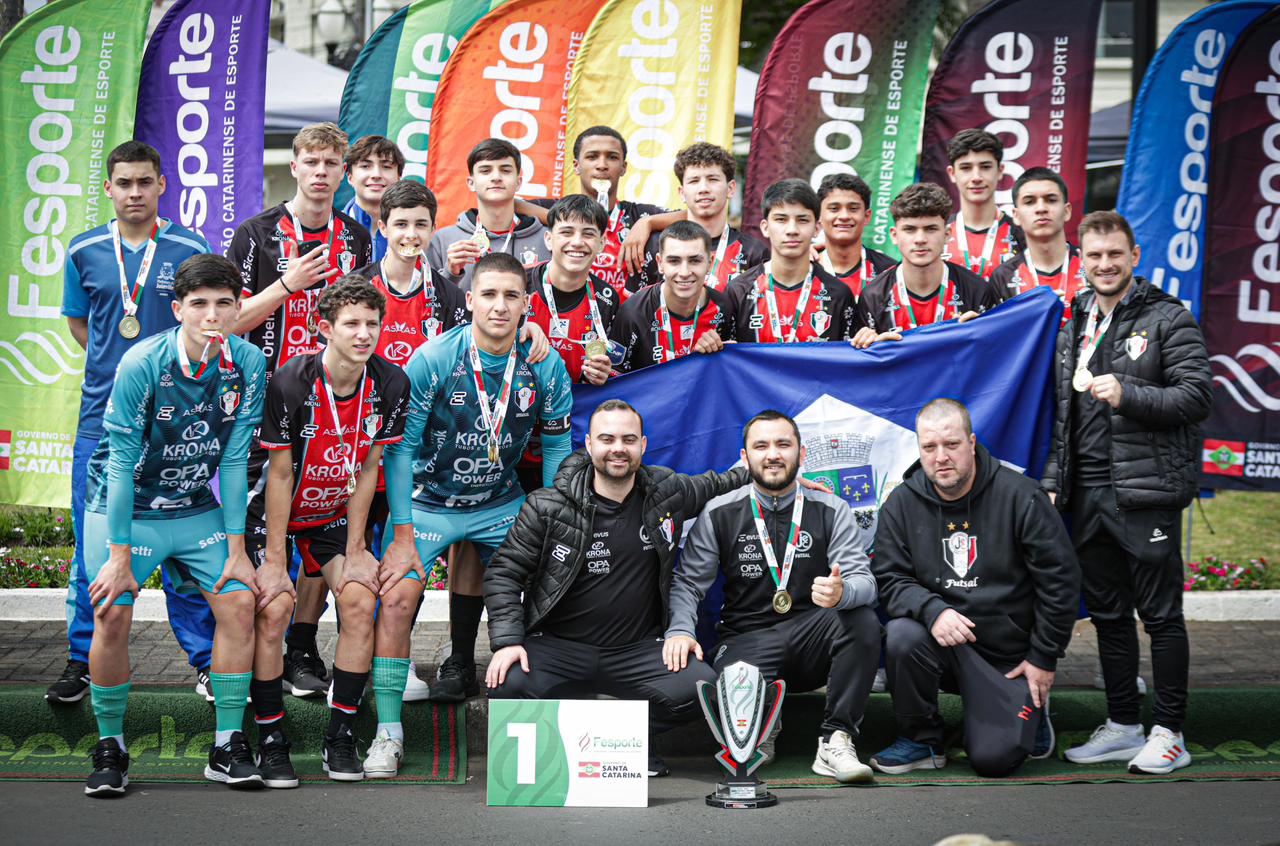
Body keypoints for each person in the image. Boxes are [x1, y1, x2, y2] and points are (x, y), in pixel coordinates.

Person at [485, 400, 752, 777]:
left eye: (628, 439)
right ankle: (593, 743)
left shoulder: (667, 492)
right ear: (589, 444)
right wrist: (508, 641)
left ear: (643, 445)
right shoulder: (546, 506)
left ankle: (626, 739)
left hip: (637, 650)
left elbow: (718, 484)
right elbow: (504, 572)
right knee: (505, 683)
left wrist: (775, 477)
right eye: (607, 439)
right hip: (559, 647)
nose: (618, 448)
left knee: (702, 688)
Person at [82, 254, 267, 796]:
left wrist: (237, 550)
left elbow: (234, 461)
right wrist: (119, 557)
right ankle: (111, 746)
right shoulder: (143, 362)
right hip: (126, 509)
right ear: (178, 309)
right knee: (111, 611)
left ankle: (227, 744)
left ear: (237, 308)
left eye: (224, 304)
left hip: (192, 506)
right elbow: (119, 464)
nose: (212, 315)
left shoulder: (248, 362)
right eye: (199, 304)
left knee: (239, 602)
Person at [1042, 211, 1212, 775]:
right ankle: (1123, 724)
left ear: (1134, 256)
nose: (1105, 264)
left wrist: (1129, 392)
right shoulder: (1074, 317)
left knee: (1160, 616)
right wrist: (1054, 481)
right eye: (1094, 256)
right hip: (1086, 492)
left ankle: (1170, 732)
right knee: (1109, 615)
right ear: (1081, 261)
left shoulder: (1168, 317)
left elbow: (1196, 397)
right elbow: (1062, 414)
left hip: (1144, 492)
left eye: (1115, 254)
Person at [53, 141, 217, 705]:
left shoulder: (189, 247)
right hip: (102, 423)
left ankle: (205, 661)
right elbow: (82, 325)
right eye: (124, 183)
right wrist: (126, 376)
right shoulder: (84, 250)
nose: (135, 193)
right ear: (109, 188)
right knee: (93, 550)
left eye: (145, 182)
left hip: (178, 426)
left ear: (162, 185)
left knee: (183, 553)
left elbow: (206, 317)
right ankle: (82, 660)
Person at [382, 253, 574, 703]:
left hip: (498, 501)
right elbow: (401, 450)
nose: (500, 306)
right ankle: (391, 685)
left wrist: (550, 519)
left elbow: (556, 447)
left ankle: (464, 664)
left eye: (511, 296)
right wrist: (403, 531)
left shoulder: (544, 363)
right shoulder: (434, 358)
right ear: (470, 300)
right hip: (428, 499)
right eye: (489, 294)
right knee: (396, 592)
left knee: (549, 580)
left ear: (526, 303)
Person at [245, 276, 413, 782]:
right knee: (275, 606)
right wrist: (277, 560)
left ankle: (339, 736)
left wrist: (357, 547)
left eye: (372, 324)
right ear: (325, 329)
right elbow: (279, 475)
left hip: (332, 511)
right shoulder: (291, 381)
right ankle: (271, 738)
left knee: (360, 599)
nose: (364, 334)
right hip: (274, 510)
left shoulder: (390, 382)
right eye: (351, 324)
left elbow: (369, 467)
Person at [228, 122, 373, 698]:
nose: (320, 172)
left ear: (343, 173)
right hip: (265, 405)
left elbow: (363, 318)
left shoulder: (355, 237)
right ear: (294, 167)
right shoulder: (257, 234)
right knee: (262, 526)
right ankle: (244, 655)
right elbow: (230, 321)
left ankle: (302, 647)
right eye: (311, 161)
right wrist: (286, 286)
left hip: (335, 407)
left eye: (331, 163)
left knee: (321, 522)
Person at [667, 410, 882, 784]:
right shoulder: (720, 511)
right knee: (747, 748)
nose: (773, 454)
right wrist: (680, 631)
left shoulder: (831, 508)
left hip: (813, 637)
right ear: (745, 456)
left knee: (862, 620)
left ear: (801, 453)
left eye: (783, 444)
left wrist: (842, 592)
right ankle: (765, 720)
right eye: (761, 446)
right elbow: (687, 583)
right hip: (747, 640)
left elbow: (866, 583)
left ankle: (835, 739)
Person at [868, 399, 1080, 778]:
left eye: (951, 444)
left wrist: (1043, 657)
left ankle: (1028, 707)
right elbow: (890, 578)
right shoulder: (901, 503)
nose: (941, 457)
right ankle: (922, 739)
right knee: (902, 634)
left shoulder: (1022, 496)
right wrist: (933, 610)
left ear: (971, 442)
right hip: (944, 648)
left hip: (1009, 659)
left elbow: (1059, 582)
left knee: (993, 761)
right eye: (930, 447)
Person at [517, 125, 674, 297]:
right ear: (576, 166)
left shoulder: (639, 215)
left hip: (626, 313)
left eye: (612, 157)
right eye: (592, 157)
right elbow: (507, 204)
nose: (602, 165)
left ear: (623, 167)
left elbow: (694, 217)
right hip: (565, 310)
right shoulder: (557, 209)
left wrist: (648, 222)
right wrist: (557, 219)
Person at [725, 180, 862, 344]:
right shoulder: (739, 290)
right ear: (765, 227)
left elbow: (849, 355)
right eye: (781, 219)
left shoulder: (838, 294)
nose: (792, 230)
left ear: (816, 228)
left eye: (802, 220)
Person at [627, 142, 769, 293]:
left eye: (713, 179)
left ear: (730, 188)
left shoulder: (753, 252)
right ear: (682, 193)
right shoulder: (655, 245)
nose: (703, 189)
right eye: (694, 181)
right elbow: (636, 305)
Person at [860, 184, 999, 334]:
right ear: (894, 236)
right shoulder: (873, 296)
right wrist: (870, 343)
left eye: (930, 229)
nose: (920, 239)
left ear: (947, 235)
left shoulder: (977, 290)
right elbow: (860, 347)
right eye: (910, 229)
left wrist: (976, 334)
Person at [609, 221, 734, 373]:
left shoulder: (723, 307)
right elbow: (615, 378)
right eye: (674, 261)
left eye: (695, 261)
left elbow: (729, 373)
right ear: (660, 263)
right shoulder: (633, 313)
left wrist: (719, 355)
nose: (684, 272)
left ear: (710, 263)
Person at [427, 138, 549, 291]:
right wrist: (450, 273)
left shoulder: (547, 240)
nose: (496, 177)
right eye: (485, 171)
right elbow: (428, 301)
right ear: (471, 183)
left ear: (518, 182)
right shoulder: (443, 240)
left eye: (505, 170)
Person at [523, 195, 619, 387]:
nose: (577, 242)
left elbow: (614, 365)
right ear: (549, 240)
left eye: (588, 234)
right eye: (566, 232)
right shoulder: (518, 282)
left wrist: (602, 375)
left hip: (576, 402)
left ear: (601, 243)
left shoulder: (607, 299)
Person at [990, 167, 1087, 322]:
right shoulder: (1003, 276)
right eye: (1030, 202)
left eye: (1051, 200)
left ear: (1067, 211)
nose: (1041, 208)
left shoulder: (1090, 265)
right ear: (1016, 215)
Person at [941, 129, 1024, 279]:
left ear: (1000, 171)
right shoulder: (938, 233)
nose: (976, 177)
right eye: (966, 168)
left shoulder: (1022, 234)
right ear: (952, 174)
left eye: (985, 167)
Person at [815, 173, 897, 299]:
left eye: (853, 209)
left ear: (867, 216)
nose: (844, 216)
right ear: (819, 216)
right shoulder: (803, 268)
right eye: (834, 208)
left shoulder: (889, 271)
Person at [342, 134, 406, 262]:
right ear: (350, 176)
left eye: (386, 167)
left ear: (399, 177)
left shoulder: (411, 233)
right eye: (365, 166)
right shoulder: (332, 228)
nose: (376, 175)